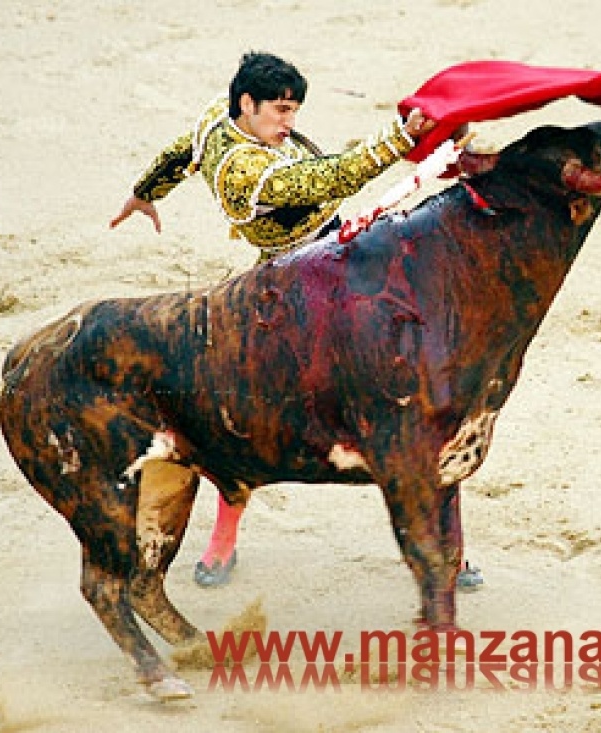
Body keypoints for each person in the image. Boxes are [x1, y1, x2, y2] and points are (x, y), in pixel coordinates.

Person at [109, 50, 484, 592]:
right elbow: (326, 179)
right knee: (244, 419)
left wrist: (144, 192)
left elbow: (182, 153)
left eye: (293, 111)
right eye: (280, 111)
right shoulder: (245, 172)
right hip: (297, 282)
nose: (289, 124)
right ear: (247, 103)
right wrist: (400, 140)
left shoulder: (221, 118)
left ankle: (452, 549)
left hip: (330, 252)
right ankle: (223, 538)